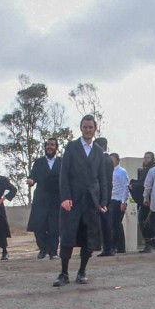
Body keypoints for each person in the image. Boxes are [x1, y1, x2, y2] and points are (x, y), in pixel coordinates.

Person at [55, 115, 108, 286]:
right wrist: (65, 198)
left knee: (89, 239)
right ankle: (63, 273)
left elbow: (103, 178)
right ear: (81, 128)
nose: (88, 130)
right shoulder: (71, 147)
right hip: (73, 201)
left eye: (91, 127)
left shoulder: (99, 151)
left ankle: (82, 272)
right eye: (85, 127)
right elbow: (64, 174)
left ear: (95, 129)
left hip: (91, 202)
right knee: (68, 236)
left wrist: (103, 201)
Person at [26, 139, 61, 260]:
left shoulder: (61, 162)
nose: (49, 147)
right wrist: (31, 181)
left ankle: (53, 252)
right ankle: (43, 249)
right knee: (39, 226)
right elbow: (32, 176)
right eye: (47, 145)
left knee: (54, 227)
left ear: (56, 147)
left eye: (52, 145)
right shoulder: (39, 162)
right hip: (41, 198)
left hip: (56, 199)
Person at [93, 137, 115, 257]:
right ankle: (106, 247)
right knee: (103, 222)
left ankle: (108, 248)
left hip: (103, 196)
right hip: (104, 194)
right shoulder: (106, 159)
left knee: (105, 222)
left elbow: (104, 181)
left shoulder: (104, 160)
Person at [129, 151, 155, 248]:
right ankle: (149, 244)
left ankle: (150, 244)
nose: (145, 159)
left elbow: (145, 184)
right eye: (145, 157)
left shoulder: (151, 170)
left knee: (147, 221)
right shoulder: (145, 170)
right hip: (145, 200)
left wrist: (133, 185)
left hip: (150, 200)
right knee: (144, 221)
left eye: (148, 157)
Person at [108, 153, 129, 254]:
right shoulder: (109, 171)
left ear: (118, 160)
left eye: (112, 159)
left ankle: (114, 247)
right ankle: (120, 247)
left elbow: (126, 187)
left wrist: (123, 202)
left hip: (118, 200)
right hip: (111, 200)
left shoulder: (121, 172)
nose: (111, 161)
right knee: (115, 224)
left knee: (115, 224)